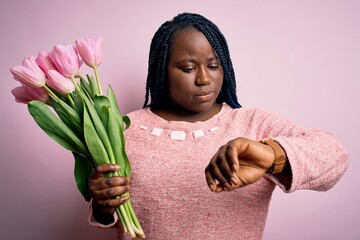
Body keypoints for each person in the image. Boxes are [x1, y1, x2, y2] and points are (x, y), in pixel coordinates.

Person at [87, 12, 349, 239]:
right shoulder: (123, 130)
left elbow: (335, 156)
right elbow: (108, 218)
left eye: (213, 65)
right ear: (161, 70)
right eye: (188, 68)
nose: (204, 79)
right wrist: (101, 206)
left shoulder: (252, 124)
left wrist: (272, 155)